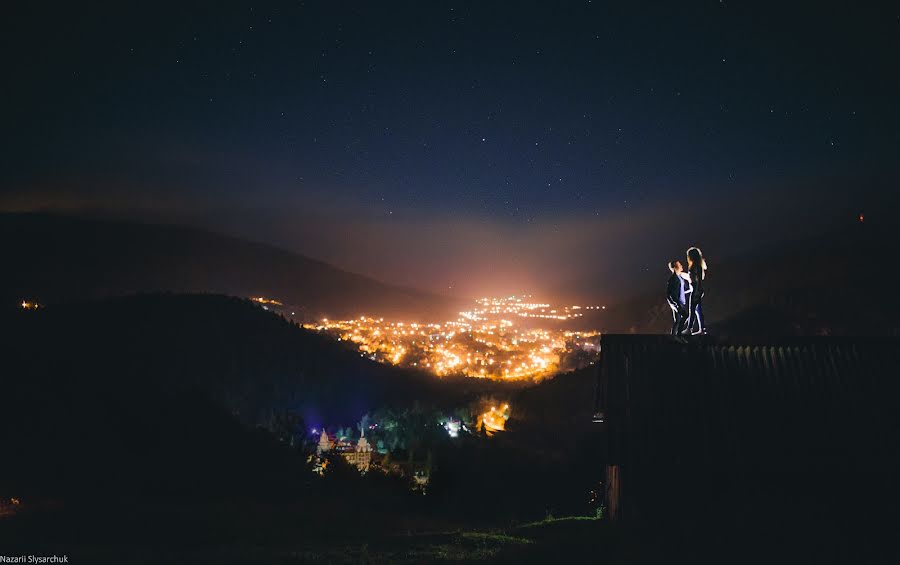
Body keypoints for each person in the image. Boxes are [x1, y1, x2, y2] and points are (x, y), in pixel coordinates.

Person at [686, 246, 708, 335]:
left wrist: (697, 291)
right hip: (695, 289)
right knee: (698, 310)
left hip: (696, 289)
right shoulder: (696, 265)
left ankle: (689, 328)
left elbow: (698, 279)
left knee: (692, 309)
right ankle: (702, 329)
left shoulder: (696, 266)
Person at [666, 260, 691, 335]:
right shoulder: (673, 279)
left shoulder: (679, 277)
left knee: (677, 320)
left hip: (679, 302)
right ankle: (678, 334)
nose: (681, 266)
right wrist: (675, 304)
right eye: (679, 265)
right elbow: (669, 293)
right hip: (677, 303)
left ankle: (674, 335)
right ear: (674, 267)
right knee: (685, 315)